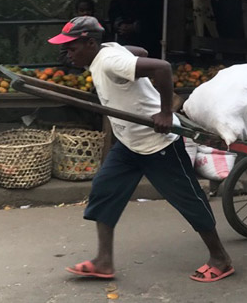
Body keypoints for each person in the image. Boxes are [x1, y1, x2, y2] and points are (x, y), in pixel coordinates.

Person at [48, 16, 234, 282]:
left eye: (72, 48)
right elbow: (141, 53)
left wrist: (165, 113)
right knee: (104, 189)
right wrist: (129, 55)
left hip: (159, 145)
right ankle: (103, 260)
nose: (68, 54)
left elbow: (162, 67)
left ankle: (221, 258)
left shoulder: (110, 59)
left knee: (188, 200)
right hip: (128, 144)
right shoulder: (104, 54)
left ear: (90, 43)